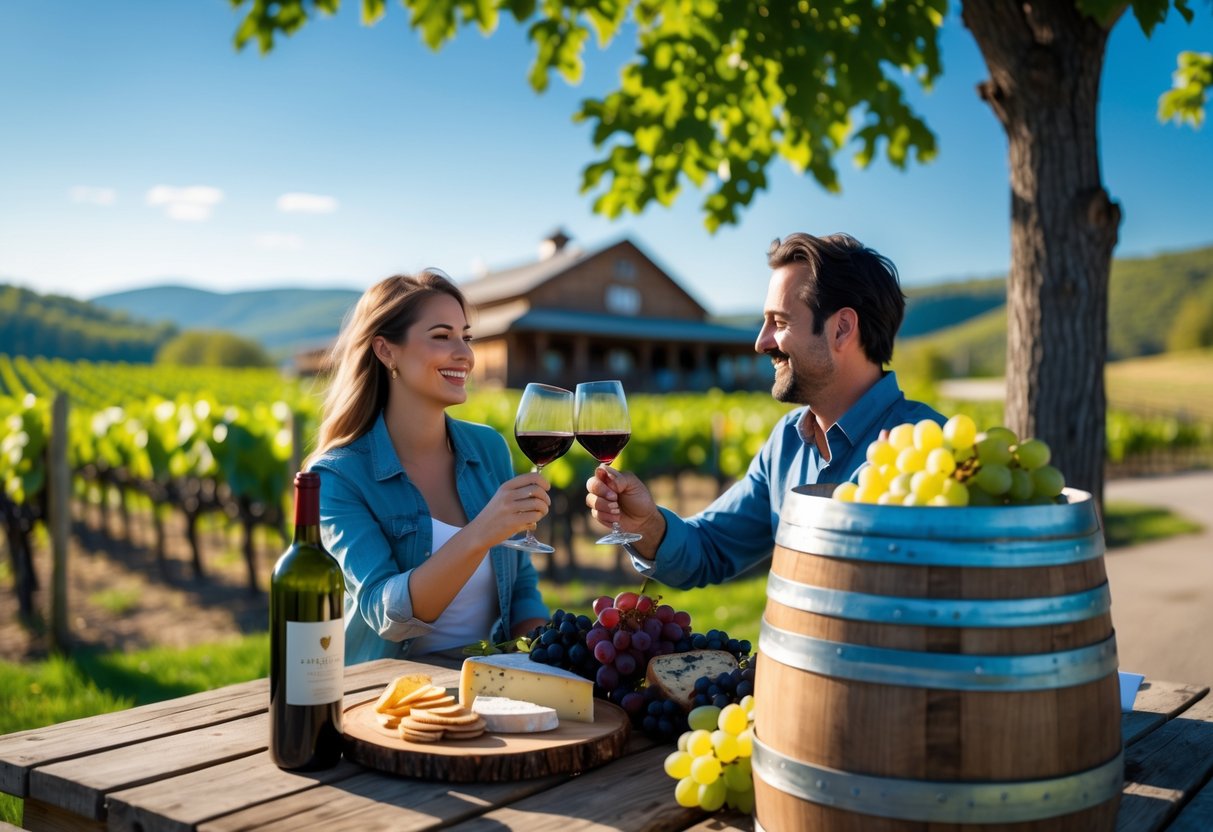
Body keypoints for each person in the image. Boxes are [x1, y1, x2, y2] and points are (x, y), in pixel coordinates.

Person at [585, 232, 943, 589]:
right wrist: (647, 524)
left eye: (780, 322)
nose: (761, 342)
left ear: (842, 329)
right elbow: (710, 549)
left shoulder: (931, 451)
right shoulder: (787, 442)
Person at [306, 270, 549, 664]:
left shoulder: (488, 449)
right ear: (386, 351)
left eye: (465, 337)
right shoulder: (337, 477)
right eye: (441, 336)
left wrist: (541, 655)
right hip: (389, 700)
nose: (465, 354)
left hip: (489, 683)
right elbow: (388, 615)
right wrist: (481, 533)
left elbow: (521, 585)